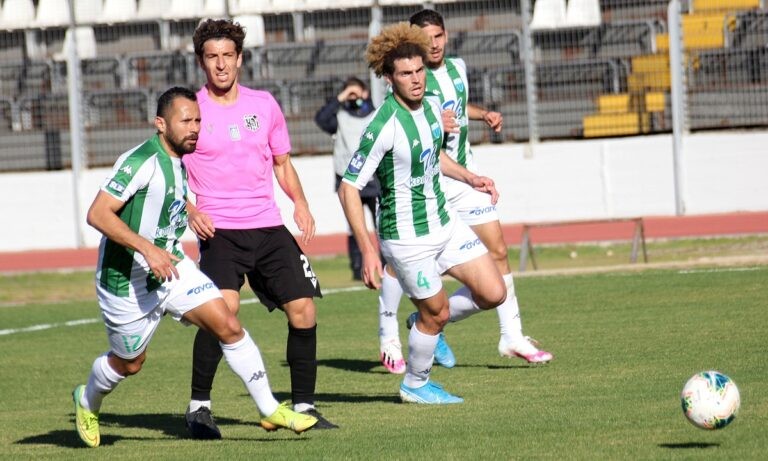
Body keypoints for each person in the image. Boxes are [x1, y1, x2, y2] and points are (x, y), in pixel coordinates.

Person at [71, 87, 317, 449]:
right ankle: (87, 400)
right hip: (126, 283)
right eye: (185, 120)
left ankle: (269, 409)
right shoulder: (140, 161)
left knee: (228, 323)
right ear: (160, 124)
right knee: (130, 363)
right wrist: (147, 250)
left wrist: (190, 212)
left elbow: (168, 197)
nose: (194, 128)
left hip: (172, 268)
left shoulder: (181, 160)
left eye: (198, 120)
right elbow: (97, 214)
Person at [181, 19, 337, 438]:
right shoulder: (190, 111)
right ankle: (199, 409)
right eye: (211, 57)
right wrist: (190, 210)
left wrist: (300, 202)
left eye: (227, 56)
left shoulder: (264, 105)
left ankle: (303, 406)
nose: (220, 65)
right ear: (201, 62)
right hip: (220, 232)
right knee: (223, 311)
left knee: (304, 309)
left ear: (240, 59)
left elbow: (282, 162)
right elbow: (169, 172)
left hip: (268, 226)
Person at [373, 9, 554, 373]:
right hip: (428, 183)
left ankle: (510, 335)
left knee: (498, 251)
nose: (433, 44)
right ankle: (389, 331)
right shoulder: (410, 79)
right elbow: (408, 122)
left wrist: (482, 114)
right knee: (400, 261)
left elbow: (456, 104)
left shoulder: (457, 68)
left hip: (462, 175)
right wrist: (431, 122)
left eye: (438, 36)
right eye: (425, 38)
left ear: (447, 35)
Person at [338, 22, 506, 404]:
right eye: (405, 74)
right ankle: (415, 384)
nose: (416, 79)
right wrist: (367, 249)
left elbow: (435, 155)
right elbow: (348, 187)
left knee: (493, 292)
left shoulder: (431, 106)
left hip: (443, 222)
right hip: (406, 237)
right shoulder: (381, 126)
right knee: (439, 313)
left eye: (419, 71)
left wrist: (471, 178)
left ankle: (420, 322)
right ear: (388, 78)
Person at [314, 76, 378, 281]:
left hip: (374, 181)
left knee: (381, 225)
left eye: (356, 91)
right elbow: (321, 119)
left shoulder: (375, 114)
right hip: (348, 181)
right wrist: (340, 98)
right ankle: (358, 268)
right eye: (349, 92)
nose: (353, 96)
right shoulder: (340, 117)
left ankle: (387, 265)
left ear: (365, 92)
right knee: (354, 227)